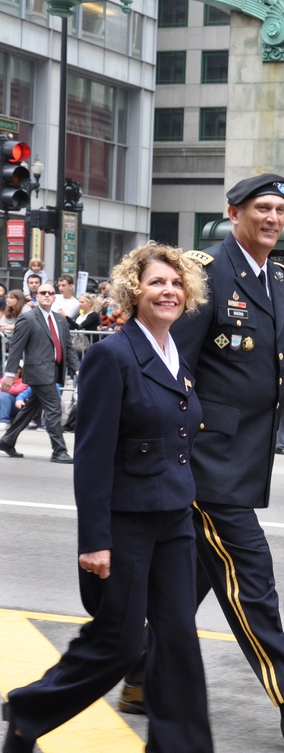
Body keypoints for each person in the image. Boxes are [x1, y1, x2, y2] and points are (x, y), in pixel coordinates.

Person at [123, 174, 284, 749]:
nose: (274, 218)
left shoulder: (277, 281)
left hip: (243, 458)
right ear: (234, 214)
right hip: (204, 460)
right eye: (262, 208)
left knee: (193, 583)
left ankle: (135, 676)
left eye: (280, 210)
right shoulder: (204, 274)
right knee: (250, 576)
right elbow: (168, 359)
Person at [1, 243, 213, 753]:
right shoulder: (112, 354)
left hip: (174, 519)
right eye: (157, 282)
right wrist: (95, 540)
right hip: (127, 523)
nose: (168, 291)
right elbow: (92, 457)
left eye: (177, 283)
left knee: (179, 640)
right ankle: (30, 713)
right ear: (133, 290)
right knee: (119, 644)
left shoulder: (174, 353)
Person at [0, 282, 79, 462]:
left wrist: (78, 369)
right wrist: (10, 374)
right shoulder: (28, 318)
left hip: (55, 371)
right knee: (53, 409)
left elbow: (68, 347)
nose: (47, 295)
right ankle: (59, 451)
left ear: (54, 296)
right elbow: (16, 348)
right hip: (38, 372)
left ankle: (7, 440)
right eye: (43, 292)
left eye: (50, 293)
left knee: (30, 408)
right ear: (37, 296)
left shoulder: (60, 319)